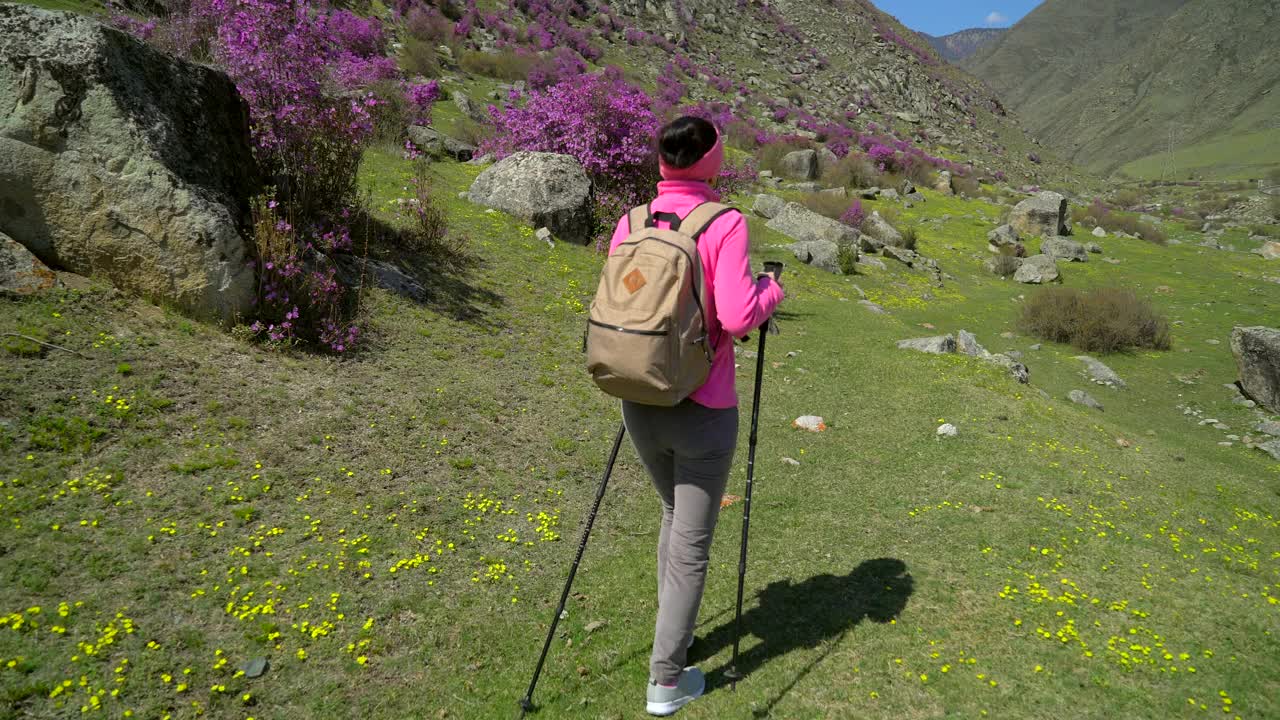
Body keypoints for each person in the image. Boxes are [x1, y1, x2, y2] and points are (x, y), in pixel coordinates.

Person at [606, 116, 784, 716]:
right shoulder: (725, 222)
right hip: (702, 408)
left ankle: (672, 640)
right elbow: (736, 317)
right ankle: (665, 681)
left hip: (637, 397)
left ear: (663, 161)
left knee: (671, 515)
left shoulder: (630, 223)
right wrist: (772, 291)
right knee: (691, 544)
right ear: (709, 160)